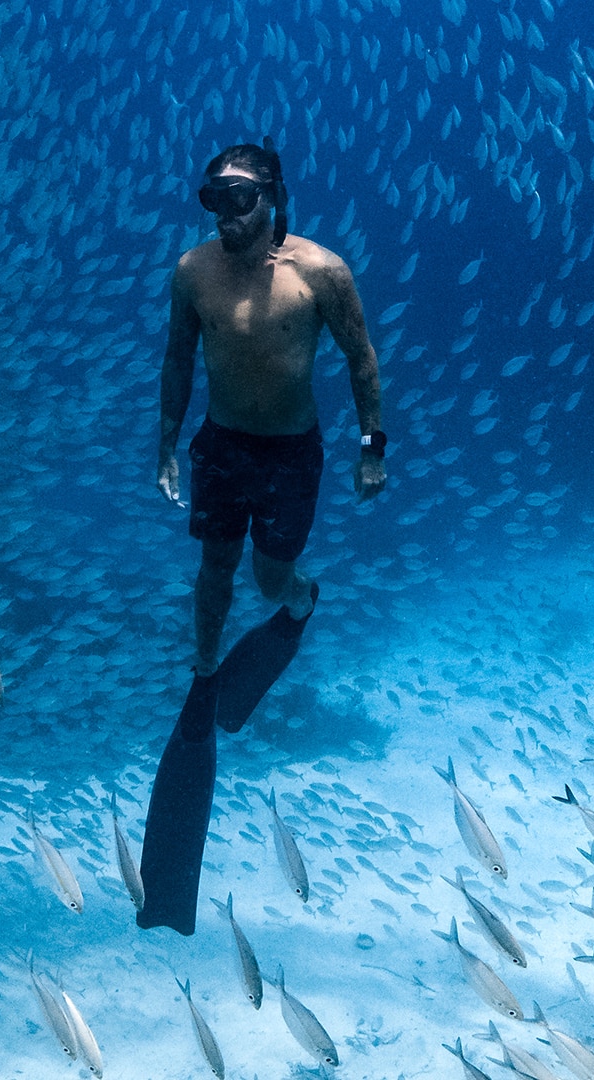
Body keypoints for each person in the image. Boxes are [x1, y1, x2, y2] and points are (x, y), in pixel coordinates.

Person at [138, 140, 385, 935]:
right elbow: (179, 356)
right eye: (213, 199)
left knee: (270, 578)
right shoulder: (191, 272)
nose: (226, 215)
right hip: (221, 445)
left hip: (290, 454)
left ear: (274, 196)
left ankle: (303, 602)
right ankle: (206, 672)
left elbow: (359, 356)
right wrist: (168, 440)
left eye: (240, 198)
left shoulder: (322, 272)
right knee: (214, 572)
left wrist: (373, 446)